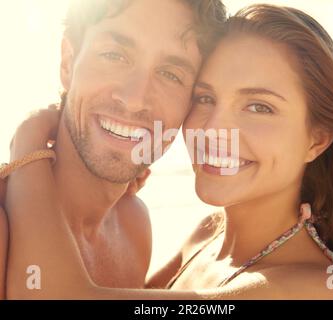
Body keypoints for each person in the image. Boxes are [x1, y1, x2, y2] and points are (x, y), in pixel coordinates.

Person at [1, 4, 333, 299]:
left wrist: (29, 141)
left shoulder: (324, 290)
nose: (213, 131)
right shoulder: (202, 240)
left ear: (317, 140)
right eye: (205, 98)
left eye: (259, 106)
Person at [0, 0, 227, 299]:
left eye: (171, 74)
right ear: (68, 63)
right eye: (114, 55)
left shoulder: (133, 225)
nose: (134, 99)